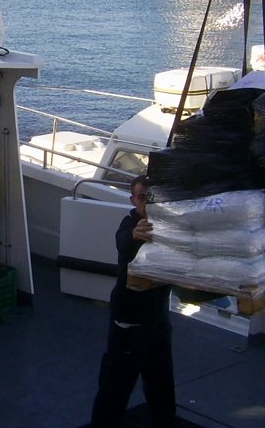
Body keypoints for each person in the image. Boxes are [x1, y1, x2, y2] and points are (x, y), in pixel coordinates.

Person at [90, 175, 176, 426]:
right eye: (141, 198)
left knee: (162, 384)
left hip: (159, 321)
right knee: (115, 387)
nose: (146, 203)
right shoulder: (130, 224)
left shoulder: (169, 226)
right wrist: (136, 235)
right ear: (133, 200)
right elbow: (123, 242)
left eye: (151, 198)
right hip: (129, 323)